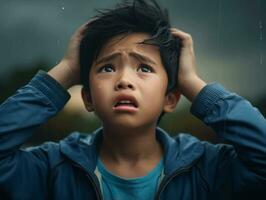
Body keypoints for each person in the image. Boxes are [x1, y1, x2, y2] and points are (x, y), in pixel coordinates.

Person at [0, 0, 265, 199]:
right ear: (88, 98)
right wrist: (67, 69)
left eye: (144, 68)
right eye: (107, 67)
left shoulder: (205, 168)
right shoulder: (54, 168)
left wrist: (192, 83)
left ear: (170, 99)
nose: (124, 80)